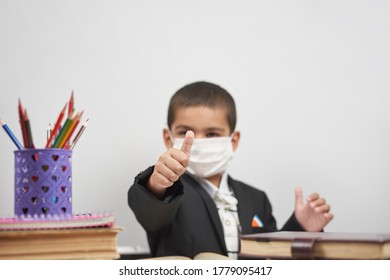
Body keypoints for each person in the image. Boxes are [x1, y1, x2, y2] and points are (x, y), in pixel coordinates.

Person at [128, 81, 333, 259]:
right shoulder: (169, 194)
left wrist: (300, 228)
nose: (198, 141)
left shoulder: (256, 199)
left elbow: (272, 260)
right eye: (186, 132)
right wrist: (157, 183)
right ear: (168, 137)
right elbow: (150, 210)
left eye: (212, 134)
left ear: (233, 141)